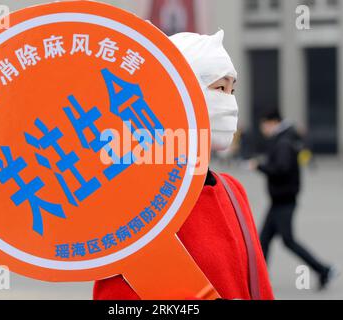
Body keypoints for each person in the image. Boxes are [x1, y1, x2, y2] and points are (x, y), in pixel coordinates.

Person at [93, 31, 274, 300]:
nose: (231, 103)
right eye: (218, 88)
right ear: (177, 93)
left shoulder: (232, 191)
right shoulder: (134, 204)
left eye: (232, 90)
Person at [250, 111, 337, 290]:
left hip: (284, 200)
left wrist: (260, 166)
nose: (263, 129)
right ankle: (258, 281)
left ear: (273, 122)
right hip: (280, 200)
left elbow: (281, 169)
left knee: (288, 241)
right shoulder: (286, 138)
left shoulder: (283, 142)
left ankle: (324, 270)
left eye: (264, 125)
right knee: (263, 240)